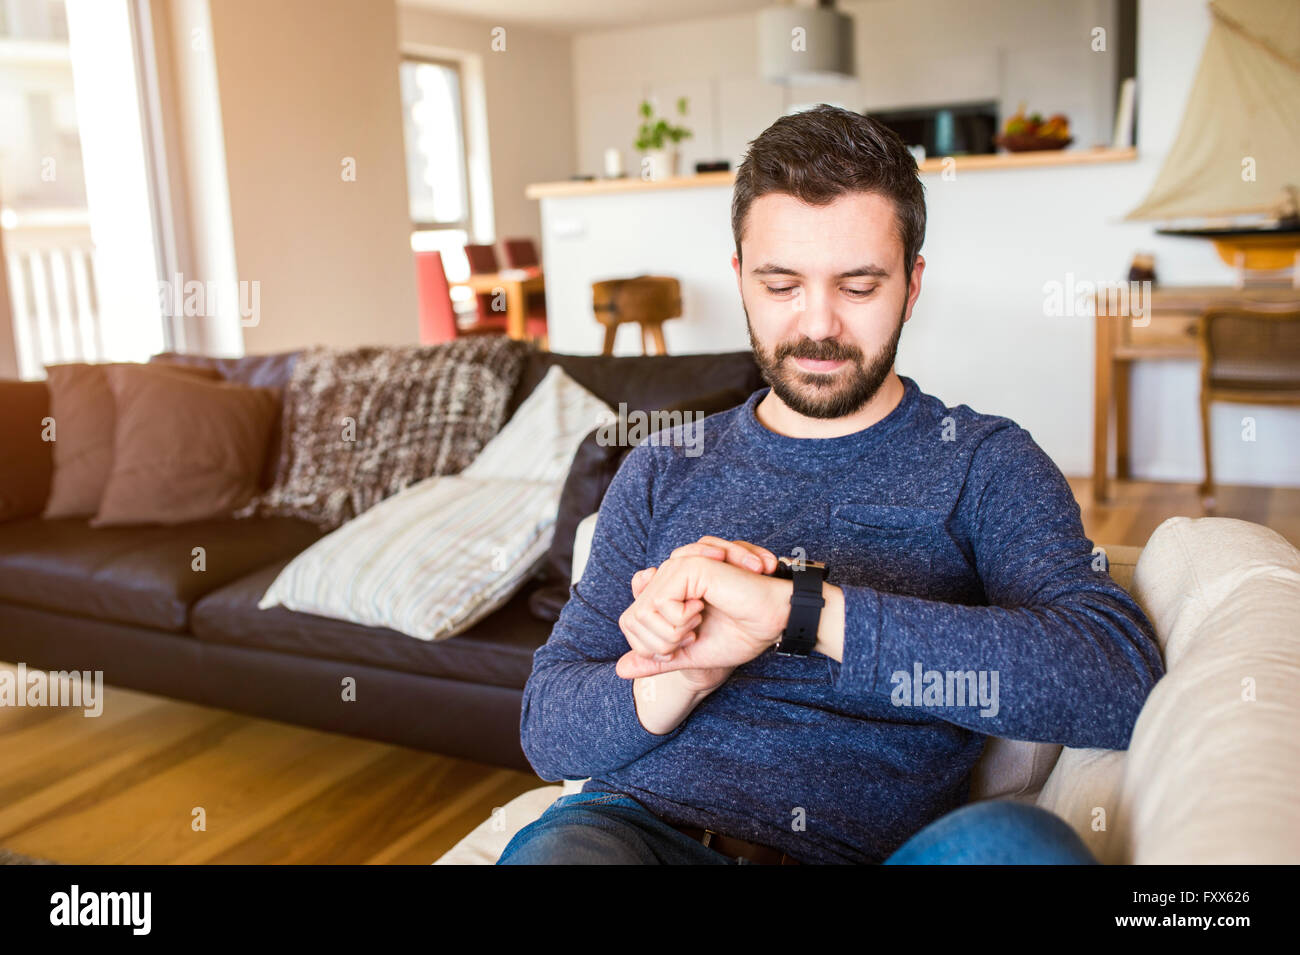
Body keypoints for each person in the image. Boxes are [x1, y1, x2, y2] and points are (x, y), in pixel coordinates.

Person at [500, 104, 1164, 865]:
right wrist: (677, 679)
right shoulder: (662, 465)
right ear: (740, 279)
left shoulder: (986, 461)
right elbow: (546, 726)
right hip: (638, 837)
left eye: (858, 286)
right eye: (781, 285)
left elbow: (1117, 680)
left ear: (912, 287)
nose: (818, 325)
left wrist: (802, 609)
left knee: (1015, 847)